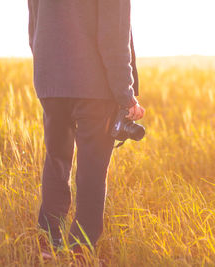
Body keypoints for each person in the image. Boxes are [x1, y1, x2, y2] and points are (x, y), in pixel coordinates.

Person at [27, 0, 145, 257]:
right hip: (95, 88)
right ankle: (80, 254)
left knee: (56, 160)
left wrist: (47, 72)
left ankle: (48, 245)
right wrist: (126, 95)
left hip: (50, 83)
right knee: (92, 171)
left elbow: (33, 26)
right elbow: (113, 38)